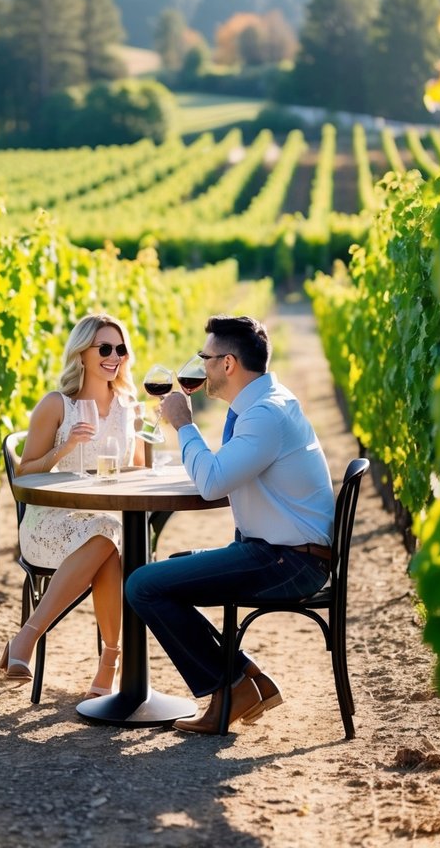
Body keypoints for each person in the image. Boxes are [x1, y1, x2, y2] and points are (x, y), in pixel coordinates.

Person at [126, 314, 334, 734]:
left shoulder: (264, 415)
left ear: (228, 364)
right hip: (276, 551)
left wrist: (184, 424)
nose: (200, 365)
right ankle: (243, 679)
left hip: (288, 561)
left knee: (144, 585)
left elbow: (213, 482)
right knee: (173, 570)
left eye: (206, 357)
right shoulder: (260, 405)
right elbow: (223, 472)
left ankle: (235, 686)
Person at [0, 312, 144, 697]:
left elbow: (140, 472)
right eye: (105, 348)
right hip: (50, 520)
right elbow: (25, 471)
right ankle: (109, 659)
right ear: (82, 354)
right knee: (108, 539)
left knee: (108, 536)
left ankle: (27, 639)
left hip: (103, 521)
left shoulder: (131, 408)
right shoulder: (56, 405)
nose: (115, 356)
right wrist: (66, 448)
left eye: (121, 348)